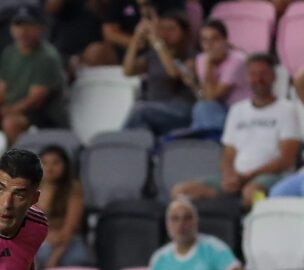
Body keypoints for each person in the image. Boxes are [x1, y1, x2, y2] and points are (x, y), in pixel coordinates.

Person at [171, 54, 301, 206]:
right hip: (236, 177)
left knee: (252, 194)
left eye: (263, 74)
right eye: (253, 74)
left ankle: (253, 227)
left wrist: (247, 177)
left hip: (270, 177)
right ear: (246, 77)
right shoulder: (237, 110)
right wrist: (228, 175)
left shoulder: (288, 110)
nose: (258, 79)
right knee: (181, 192)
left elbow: (286, 160)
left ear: (273, 76)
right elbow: (228, 153)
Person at [0, 7, 68, 144]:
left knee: (11, 123)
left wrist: (5, 112)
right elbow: (1, 92)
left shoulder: (47, 56)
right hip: (12, 110)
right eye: (18, 25)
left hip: (44, 117)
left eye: (29, 25)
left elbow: (35, 101)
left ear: (40, 28)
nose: (23, 31)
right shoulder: (9, 53)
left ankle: (21, 163)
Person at [147, 197, 246, 270]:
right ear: (167, 225)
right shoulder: (159, 259)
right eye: (175, 219)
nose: (181, 225)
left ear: (196, 222)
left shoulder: (213, 247)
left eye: (187, 218)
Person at [121, 10, 196, 136]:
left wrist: (157, 42)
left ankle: (119, 144)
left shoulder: (191, 56)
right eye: (162, 29)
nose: (166, 33)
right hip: (154, 109)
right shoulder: (153, 56)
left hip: (180, 110)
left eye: (171, 29)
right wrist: (136, 38)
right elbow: (128, 71)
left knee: (140, 110)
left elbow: (173, 73)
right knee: (142, 129)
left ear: (184, 33)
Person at [35, 145, 90, 269]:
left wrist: (55, 257)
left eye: (55, 163)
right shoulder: (31, 190)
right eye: (44, 163)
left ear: (65, 166)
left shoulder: (73, 189)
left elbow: (69, 230)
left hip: (68, 243)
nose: (49, 168)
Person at [190, 19, 248, 131]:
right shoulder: (201, 59)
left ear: (225, 40)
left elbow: (213, 97)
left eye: (215, 39)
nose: (209, 45)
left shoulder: (238, 60)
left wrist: (209, 65)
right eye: (204, 40)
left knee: (202, 109)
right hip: (218, 110)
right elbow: (205, 95)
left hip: (240, 112)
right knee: (200, 108)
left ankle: (210, 142)